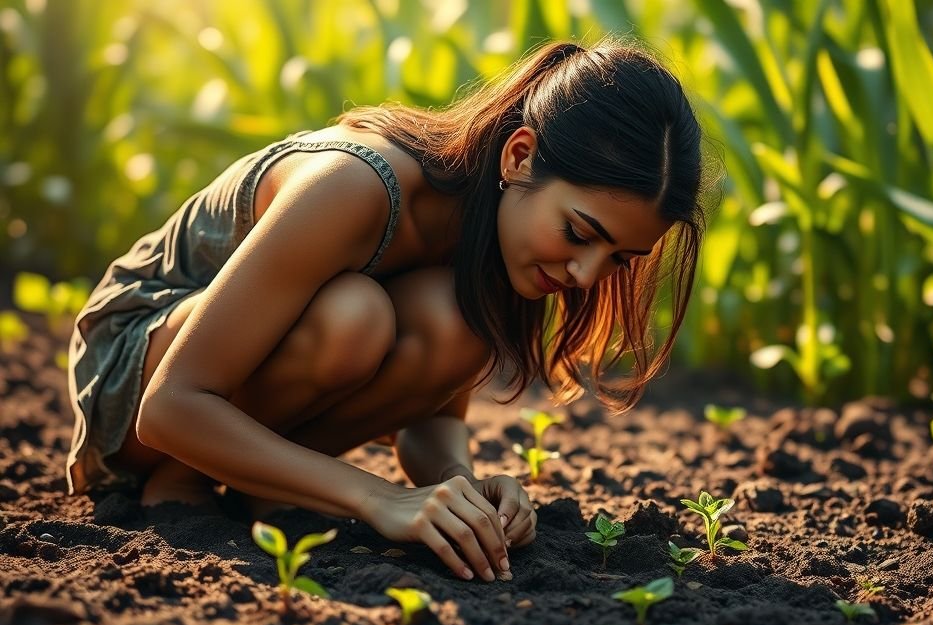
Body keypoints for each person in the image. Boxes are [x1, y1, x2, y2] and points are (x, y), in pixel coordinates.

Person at [66, 38, 709, 583]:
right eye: (578, 233)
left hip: (208, 399)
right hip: (134, 368)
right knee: (354, 316)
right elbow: (171, 405)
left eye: (619, 258)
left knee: (460, 327)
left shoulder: (495, 241)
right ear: (519, 156)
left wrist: (462, 486)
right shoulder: (356, 187)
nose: (585, 274)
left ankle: (268, 485)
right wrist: (376, 497)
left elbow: (426, 421)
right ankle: (183, 486)